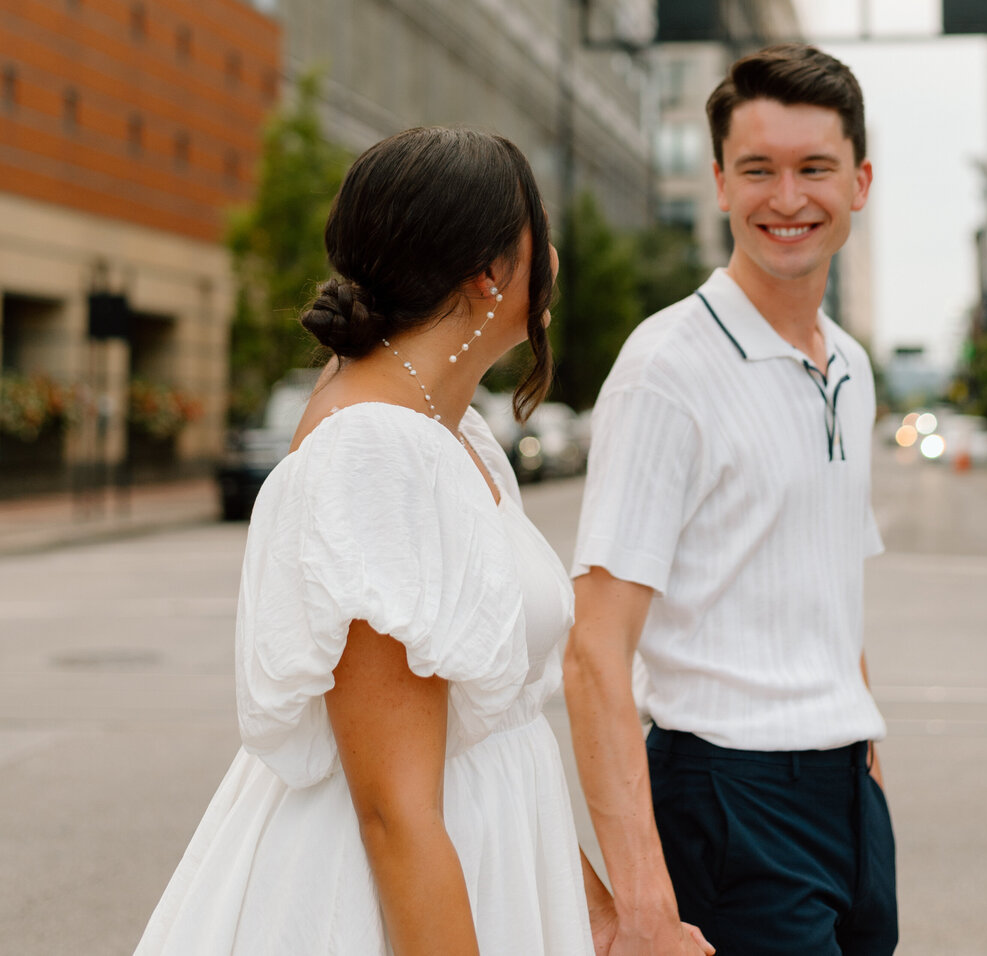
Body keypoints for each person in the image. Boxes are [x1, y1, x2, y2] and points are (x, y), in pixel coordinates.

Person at [134, 125, 688, 956]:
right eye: (543, 233)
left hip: (489, 869)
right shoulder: (375, 453)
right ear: (491, 271)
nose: (559, 261)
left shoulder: (452, 437)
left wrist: (605, 922)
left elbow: (486, 729)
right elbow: (394, 812)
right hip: (399, 903)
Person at [565, 44, 898, 956]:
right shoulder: (667, 368)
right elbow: (594, 651)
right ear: (719, 183)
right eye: (758, 170)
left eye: (814, 169)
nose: (786, 198)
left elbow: (828, 578)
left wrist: (856, 745)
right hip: (727, 798)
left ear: (859, 181)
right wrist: (641, 909)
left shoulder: (851, 366)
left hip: (848, 799)